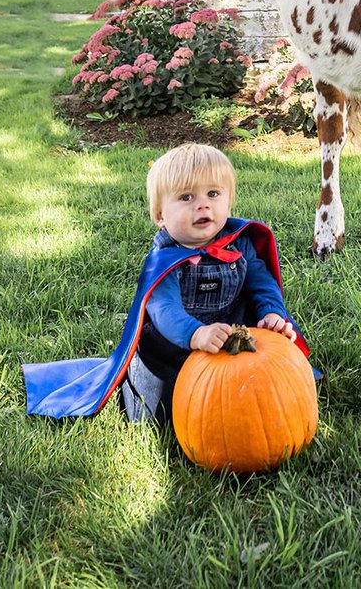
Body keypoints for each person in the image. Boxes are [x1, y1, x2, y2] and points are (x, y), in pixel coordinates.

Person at [23, 143, 310, 422]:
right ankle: (137, 391)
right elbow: (166, 311)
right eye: (186, 197)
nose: (202, 204)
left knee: (249, 400)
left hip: (229, 338)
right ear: (161, 216)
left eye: (213, 193)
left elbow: (262, 283)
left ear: (228, 202)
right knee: (157, 414)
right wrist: (196, 335)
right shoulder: (164, 260)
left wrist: (271, 312)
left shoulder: (240, 244)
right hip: (171, 349)